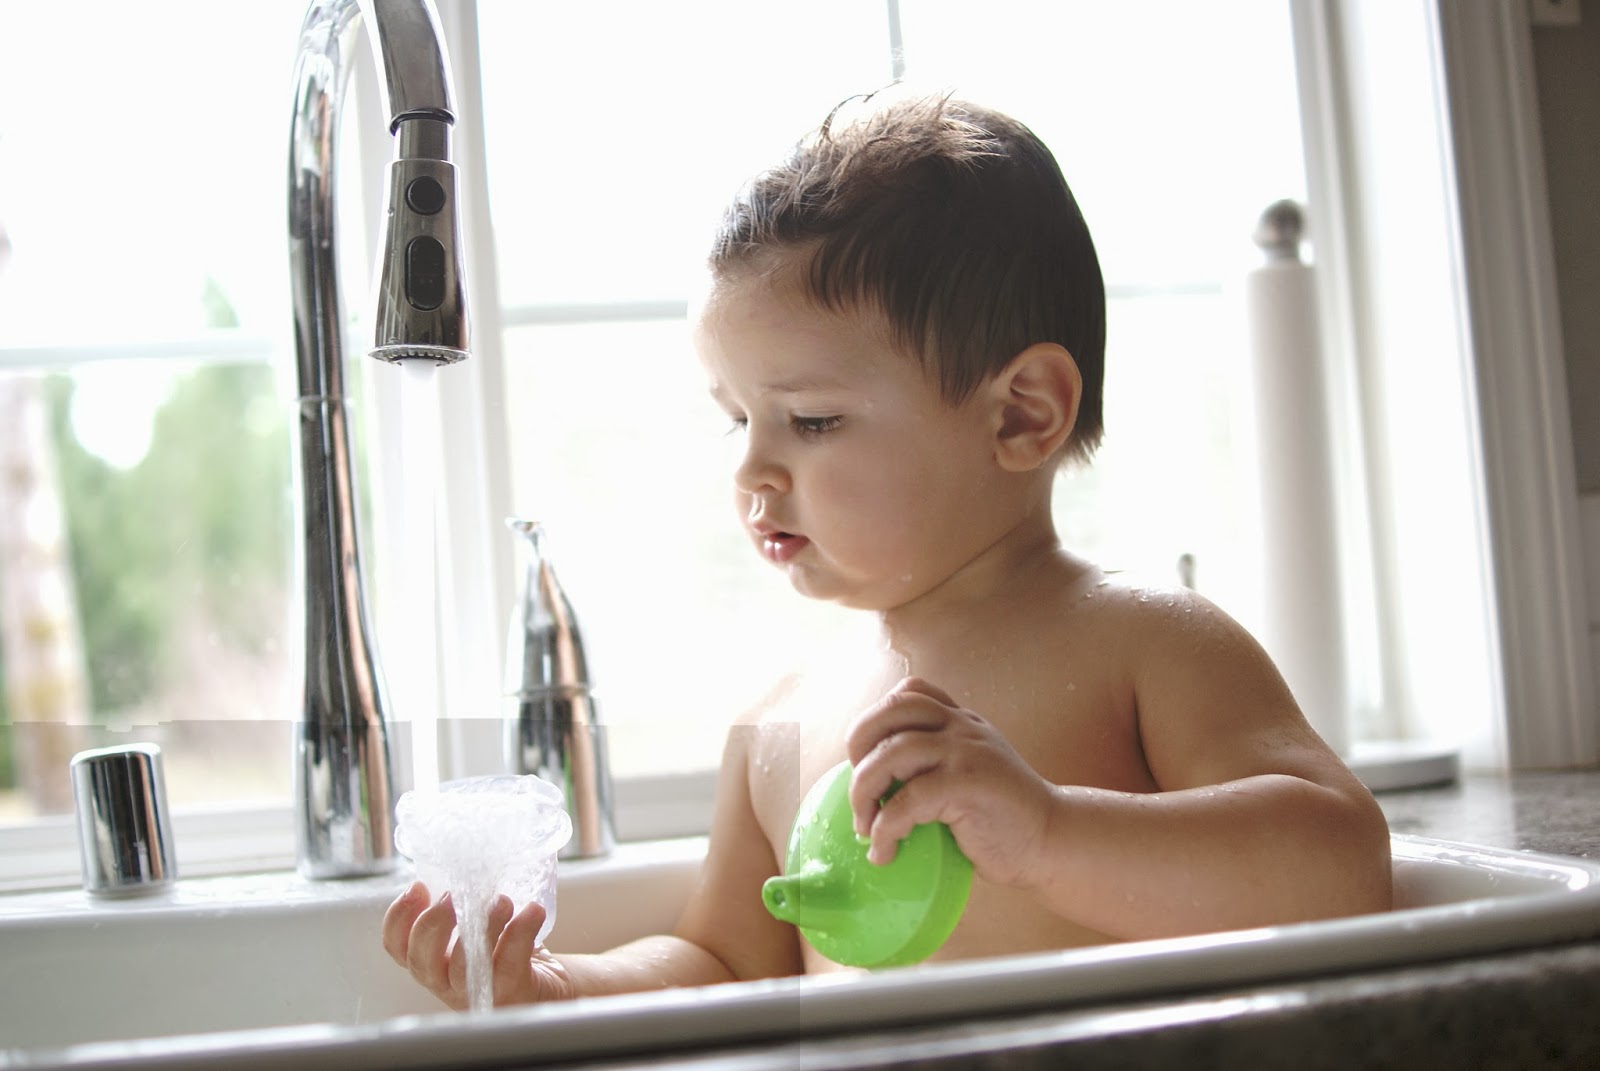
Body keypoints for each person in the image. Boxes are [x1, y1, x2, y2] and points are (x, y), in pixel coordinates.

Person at [382, 90, 1392, 1009]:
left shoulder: (1144, 643)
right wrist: (560, 989)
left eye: (811, 420)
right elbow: (730, 963)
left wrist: (1049, 834)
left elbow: (1339, 865)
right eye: (737, 418)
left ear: (1022, 415)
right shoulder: (775, 727)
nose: (753, 471)